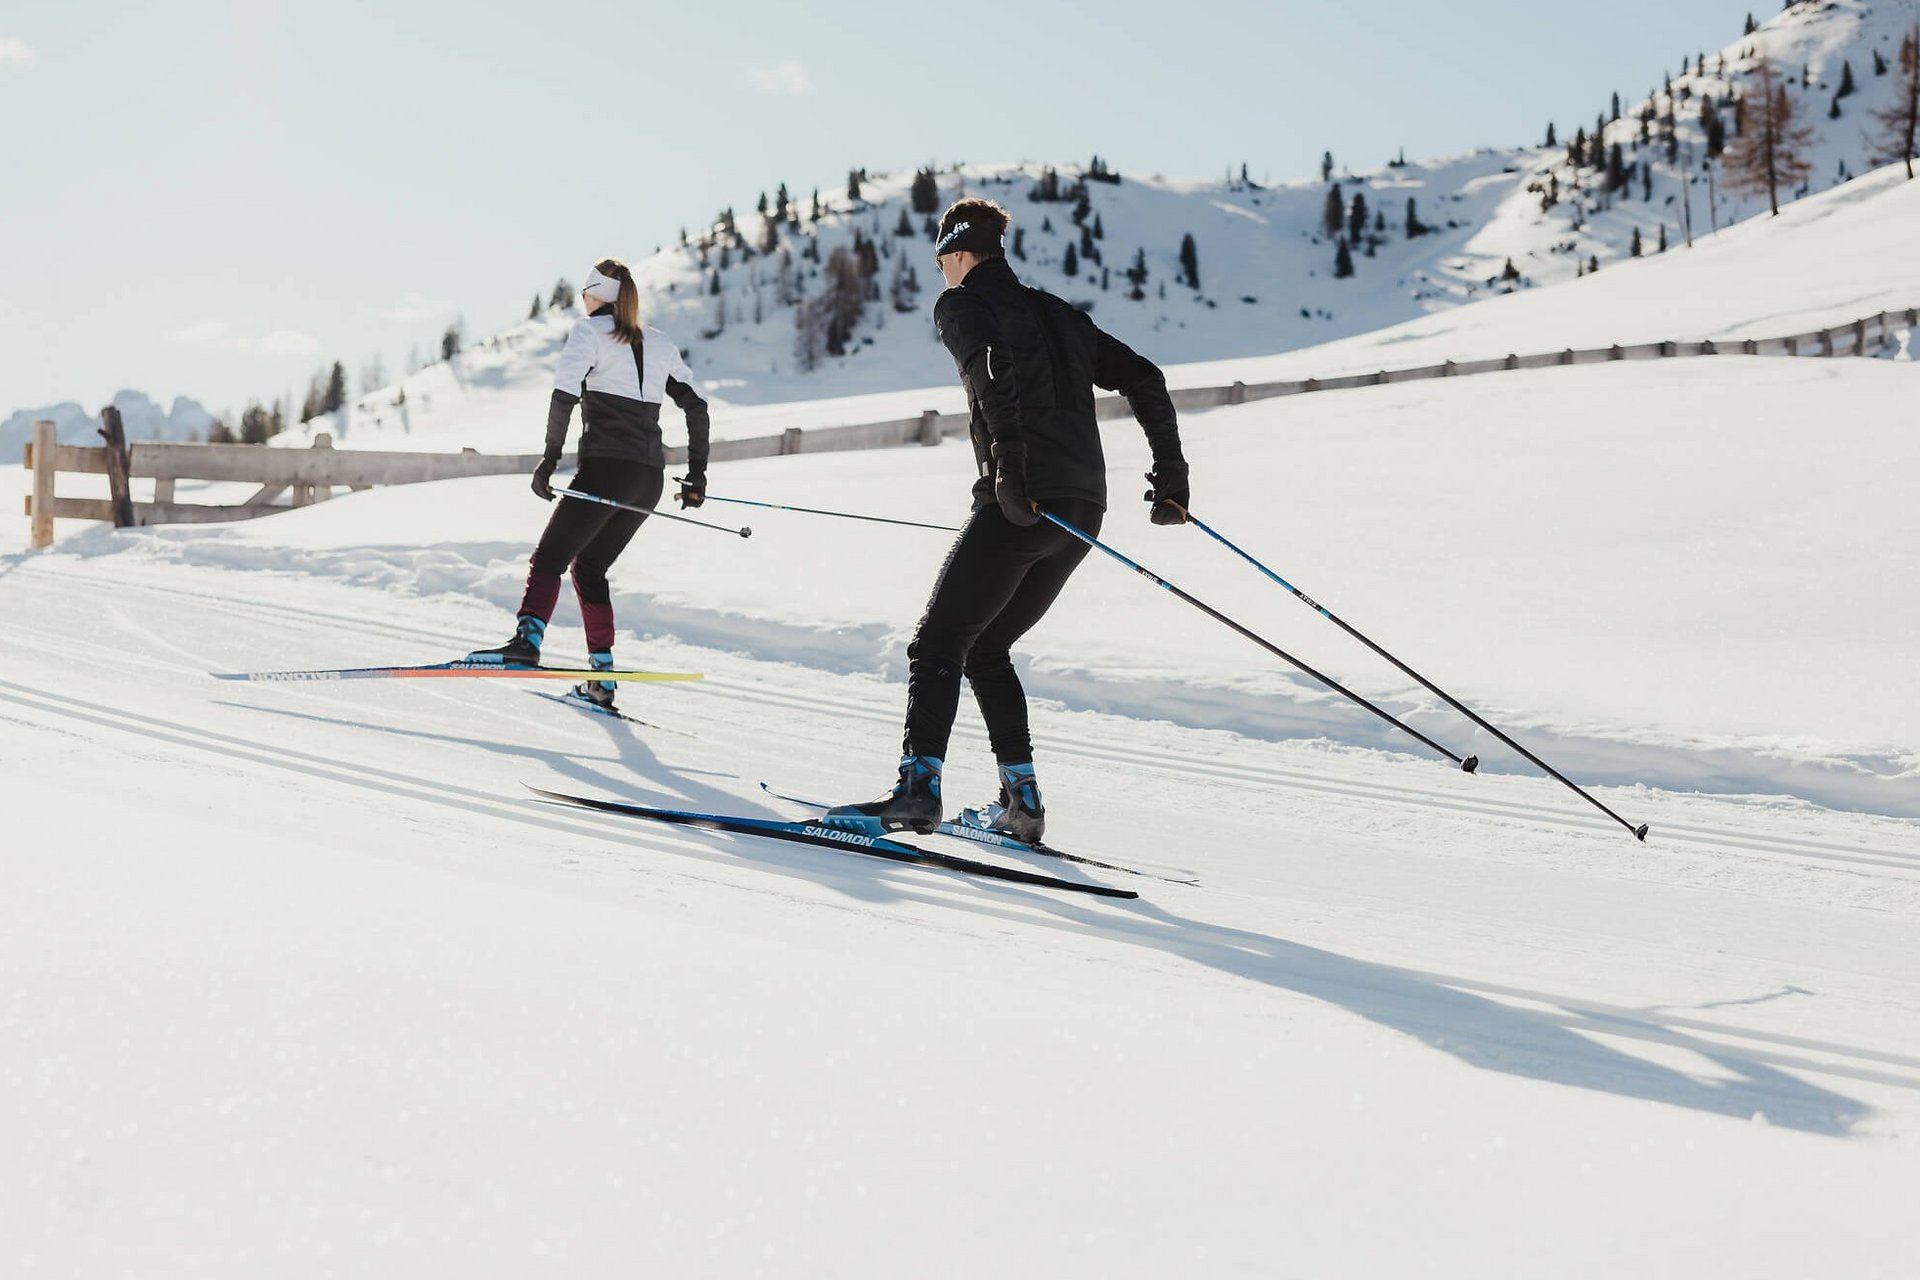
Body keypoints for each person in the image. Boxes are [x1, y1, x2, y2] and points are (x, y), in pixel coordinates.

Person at [824, 198, 1189, 841]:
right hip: (1082, 511)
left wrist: (1011, 479)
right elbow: (1147, 378)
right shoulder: (1062, 315)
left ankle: (916, 794)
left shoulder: (962, 305)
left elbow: (992, 381)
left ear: (958, 253)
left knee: (936, 646)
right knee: (987, 648)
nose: (941, 273)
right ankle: (1022, 804)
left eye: (942, 260)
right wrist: (1172, 479)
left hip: (1021, 505)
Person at [467, 258, 710, 709]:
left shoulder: (588, 332)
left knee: (550, 558)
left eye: (585, 294)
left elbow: (564, 396)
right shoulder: (659, 343)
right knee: (590, 568)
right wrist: (697, 476)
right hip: (647, 482)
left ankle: (526, 642)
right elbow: (696, 408)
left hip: (605, 471)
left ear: (595, 296)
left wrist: (549, 460)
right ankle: (602, 678)